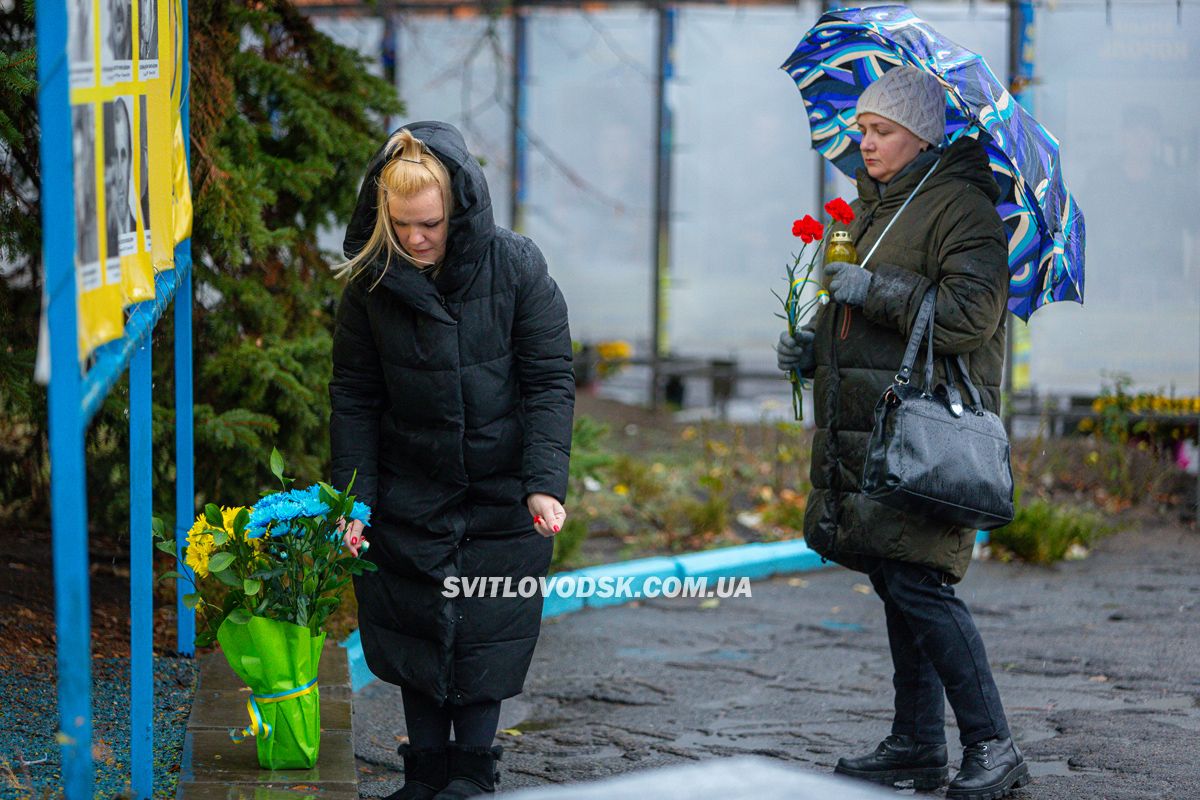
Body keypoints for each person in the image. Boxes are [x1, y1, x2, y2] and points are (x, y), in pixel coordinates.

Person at [775, 67, 1029, 800]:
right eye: (861, 128)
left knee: (920, 582)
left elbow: (969, 316)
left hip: (925, 431)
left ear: (920, 136)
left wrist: (875, 290)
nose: (865, 142)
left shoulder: (961, 209)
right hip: (873, 430)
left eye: (880, 130)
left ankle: (993, 745)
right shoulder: (869, 210)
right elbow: (849, 312)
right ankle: (918, 744)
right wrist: (811, 349)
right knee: (895, 577)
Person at [330, 121, 574, 799]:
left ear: (459, 208)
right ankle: (425, 771)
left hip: (502, 489)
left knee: (485, 623)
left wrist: (542, 484)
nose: (415, 239)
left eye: (430, 224)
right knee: (412, 616)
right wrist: (353, 499)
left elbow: (550, 378)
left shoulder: (517, 267)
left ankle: (471, 770)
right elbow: (353, 396)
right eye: (402, 223)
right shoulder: (371, 288)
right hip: (412, 485)